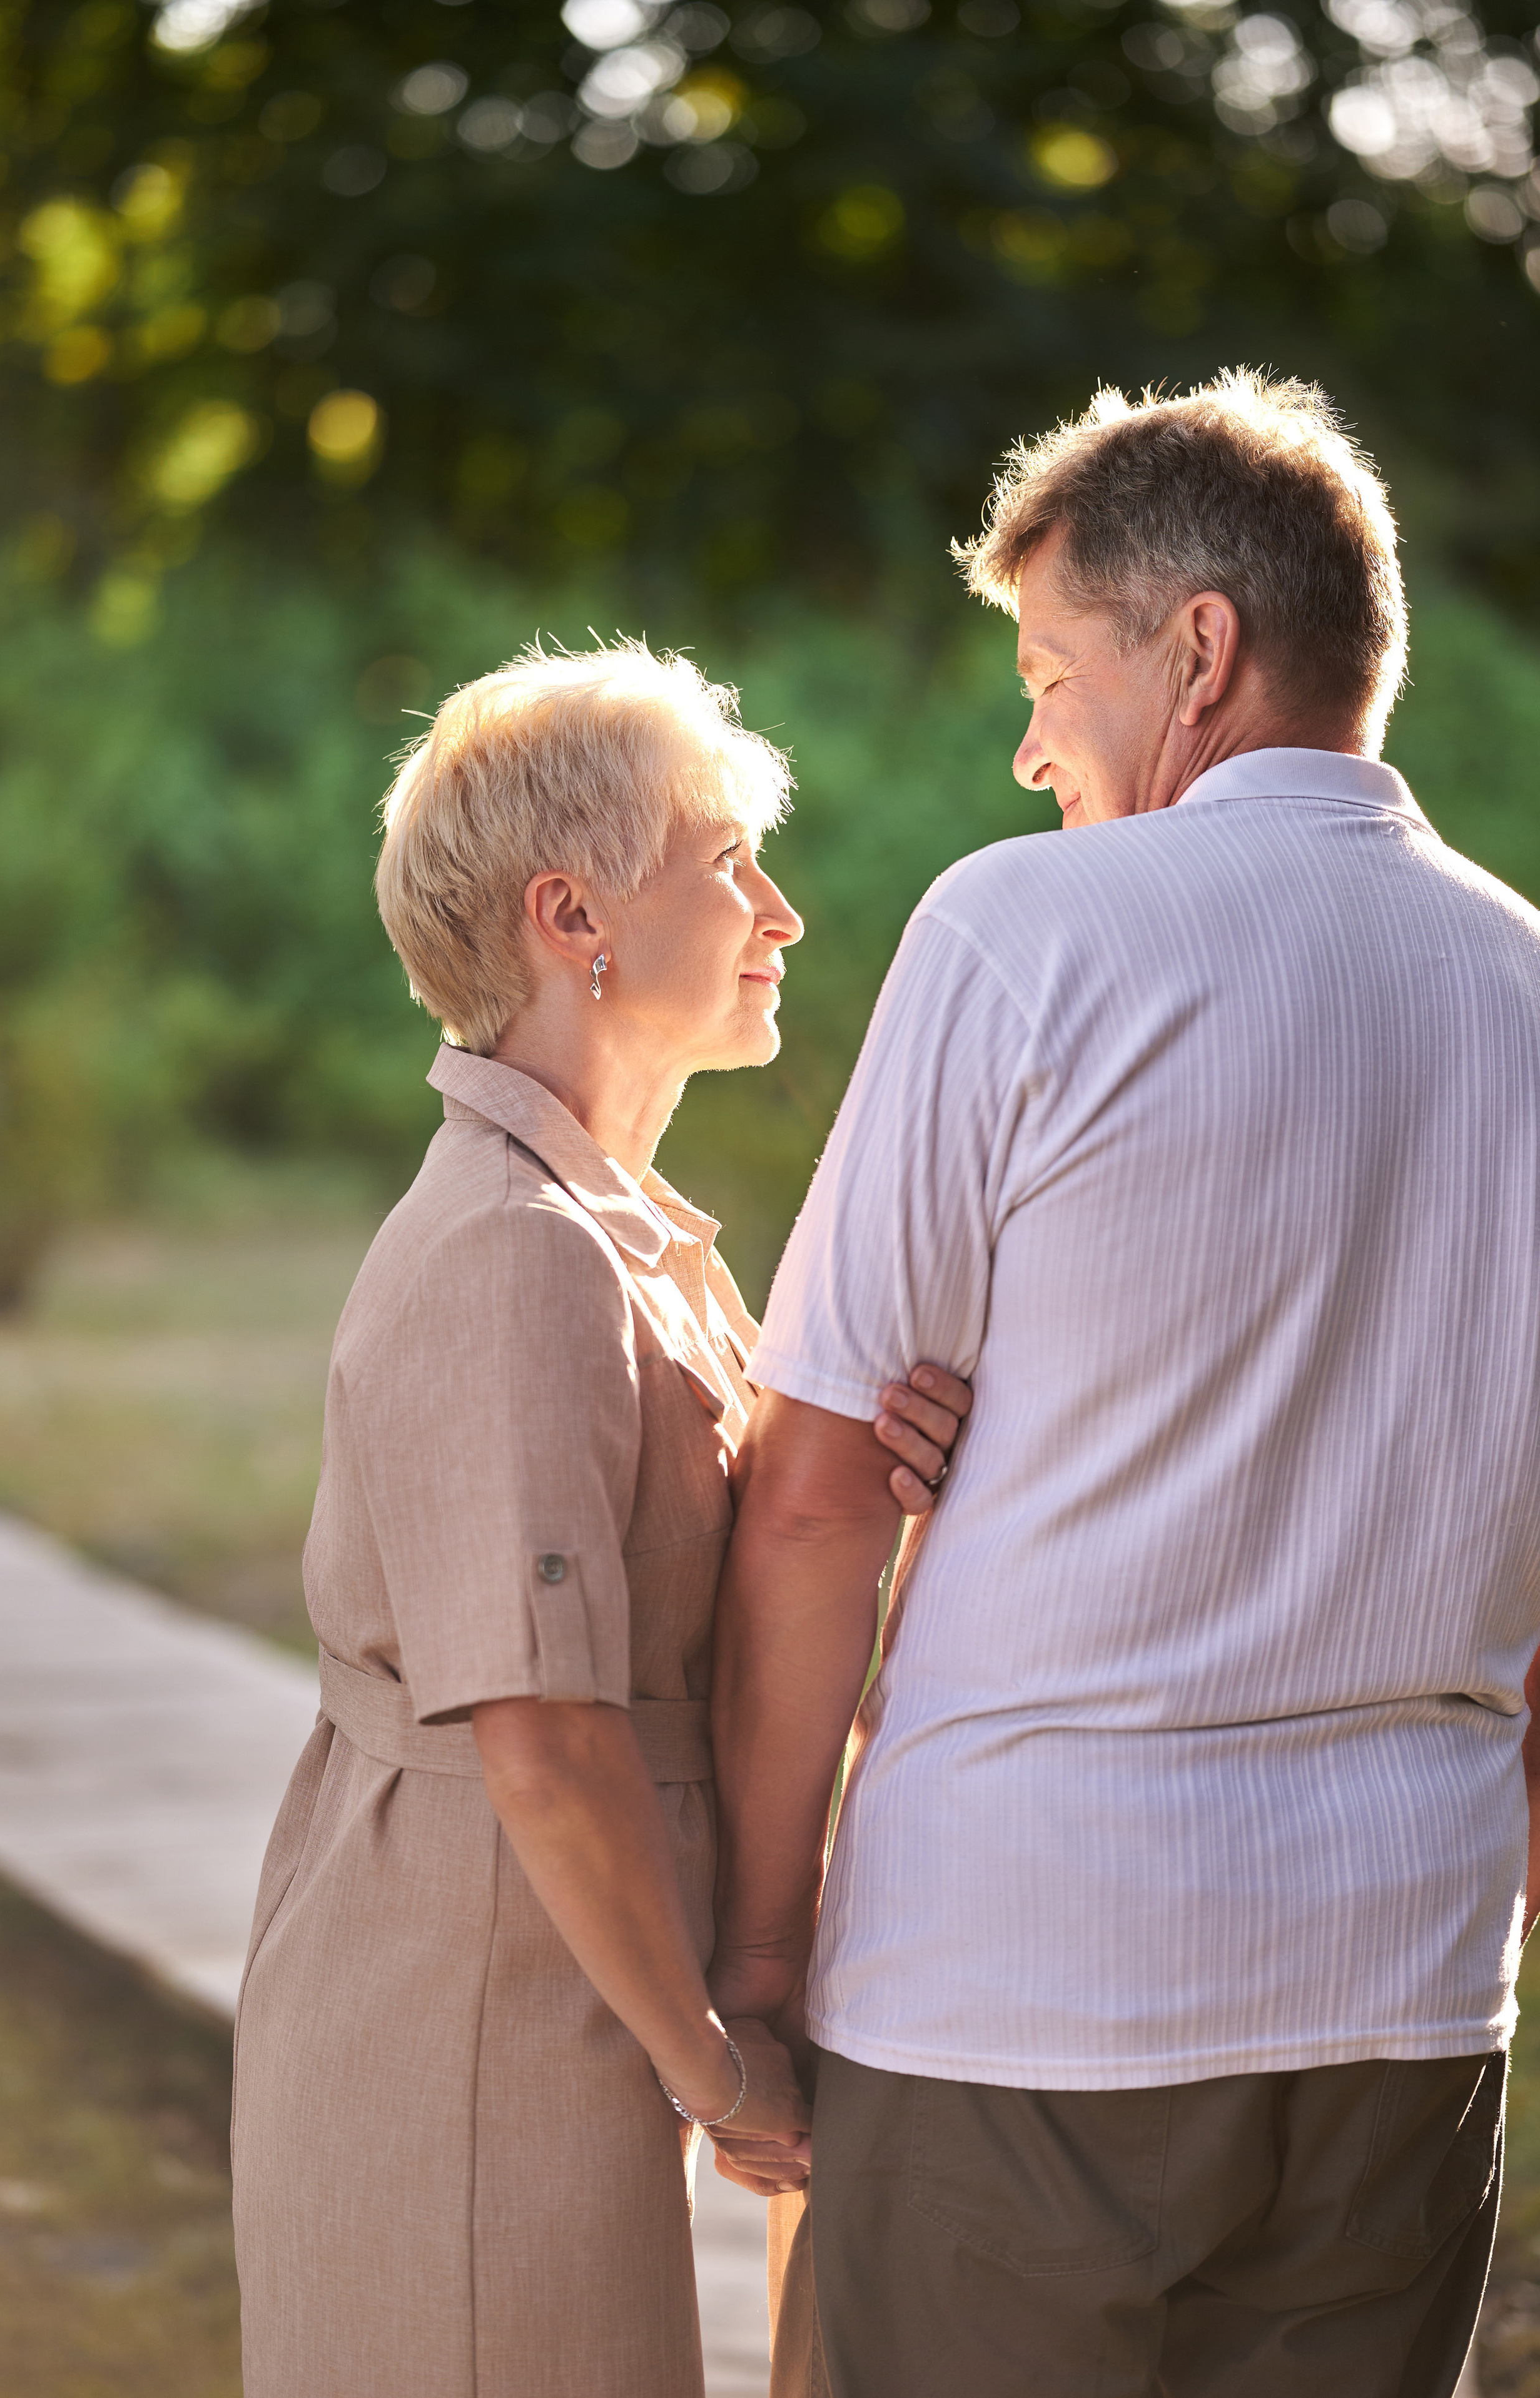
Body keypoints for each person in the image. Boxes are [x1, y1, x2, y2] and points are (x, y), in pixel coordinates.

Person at [709, 372, 1540, 2397]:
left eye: (1047, 670)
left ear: (1199, 652)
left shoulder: (1022, 933)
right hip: (1404, 2010)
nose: (1027, 745)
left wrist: (757, 1943)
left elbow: (816, 1492)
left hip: (1025, 1986)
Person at [230, 640, 969, 2398]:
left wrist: (887, 1458)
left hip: (551, 1987)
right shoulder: (515, 1252)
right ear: (576, 919)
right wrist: (719, 2069)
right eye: (726, 860)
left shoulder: (619, 1227)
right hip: (465, 2023)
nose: (780, 912)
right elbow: (548, 1739)